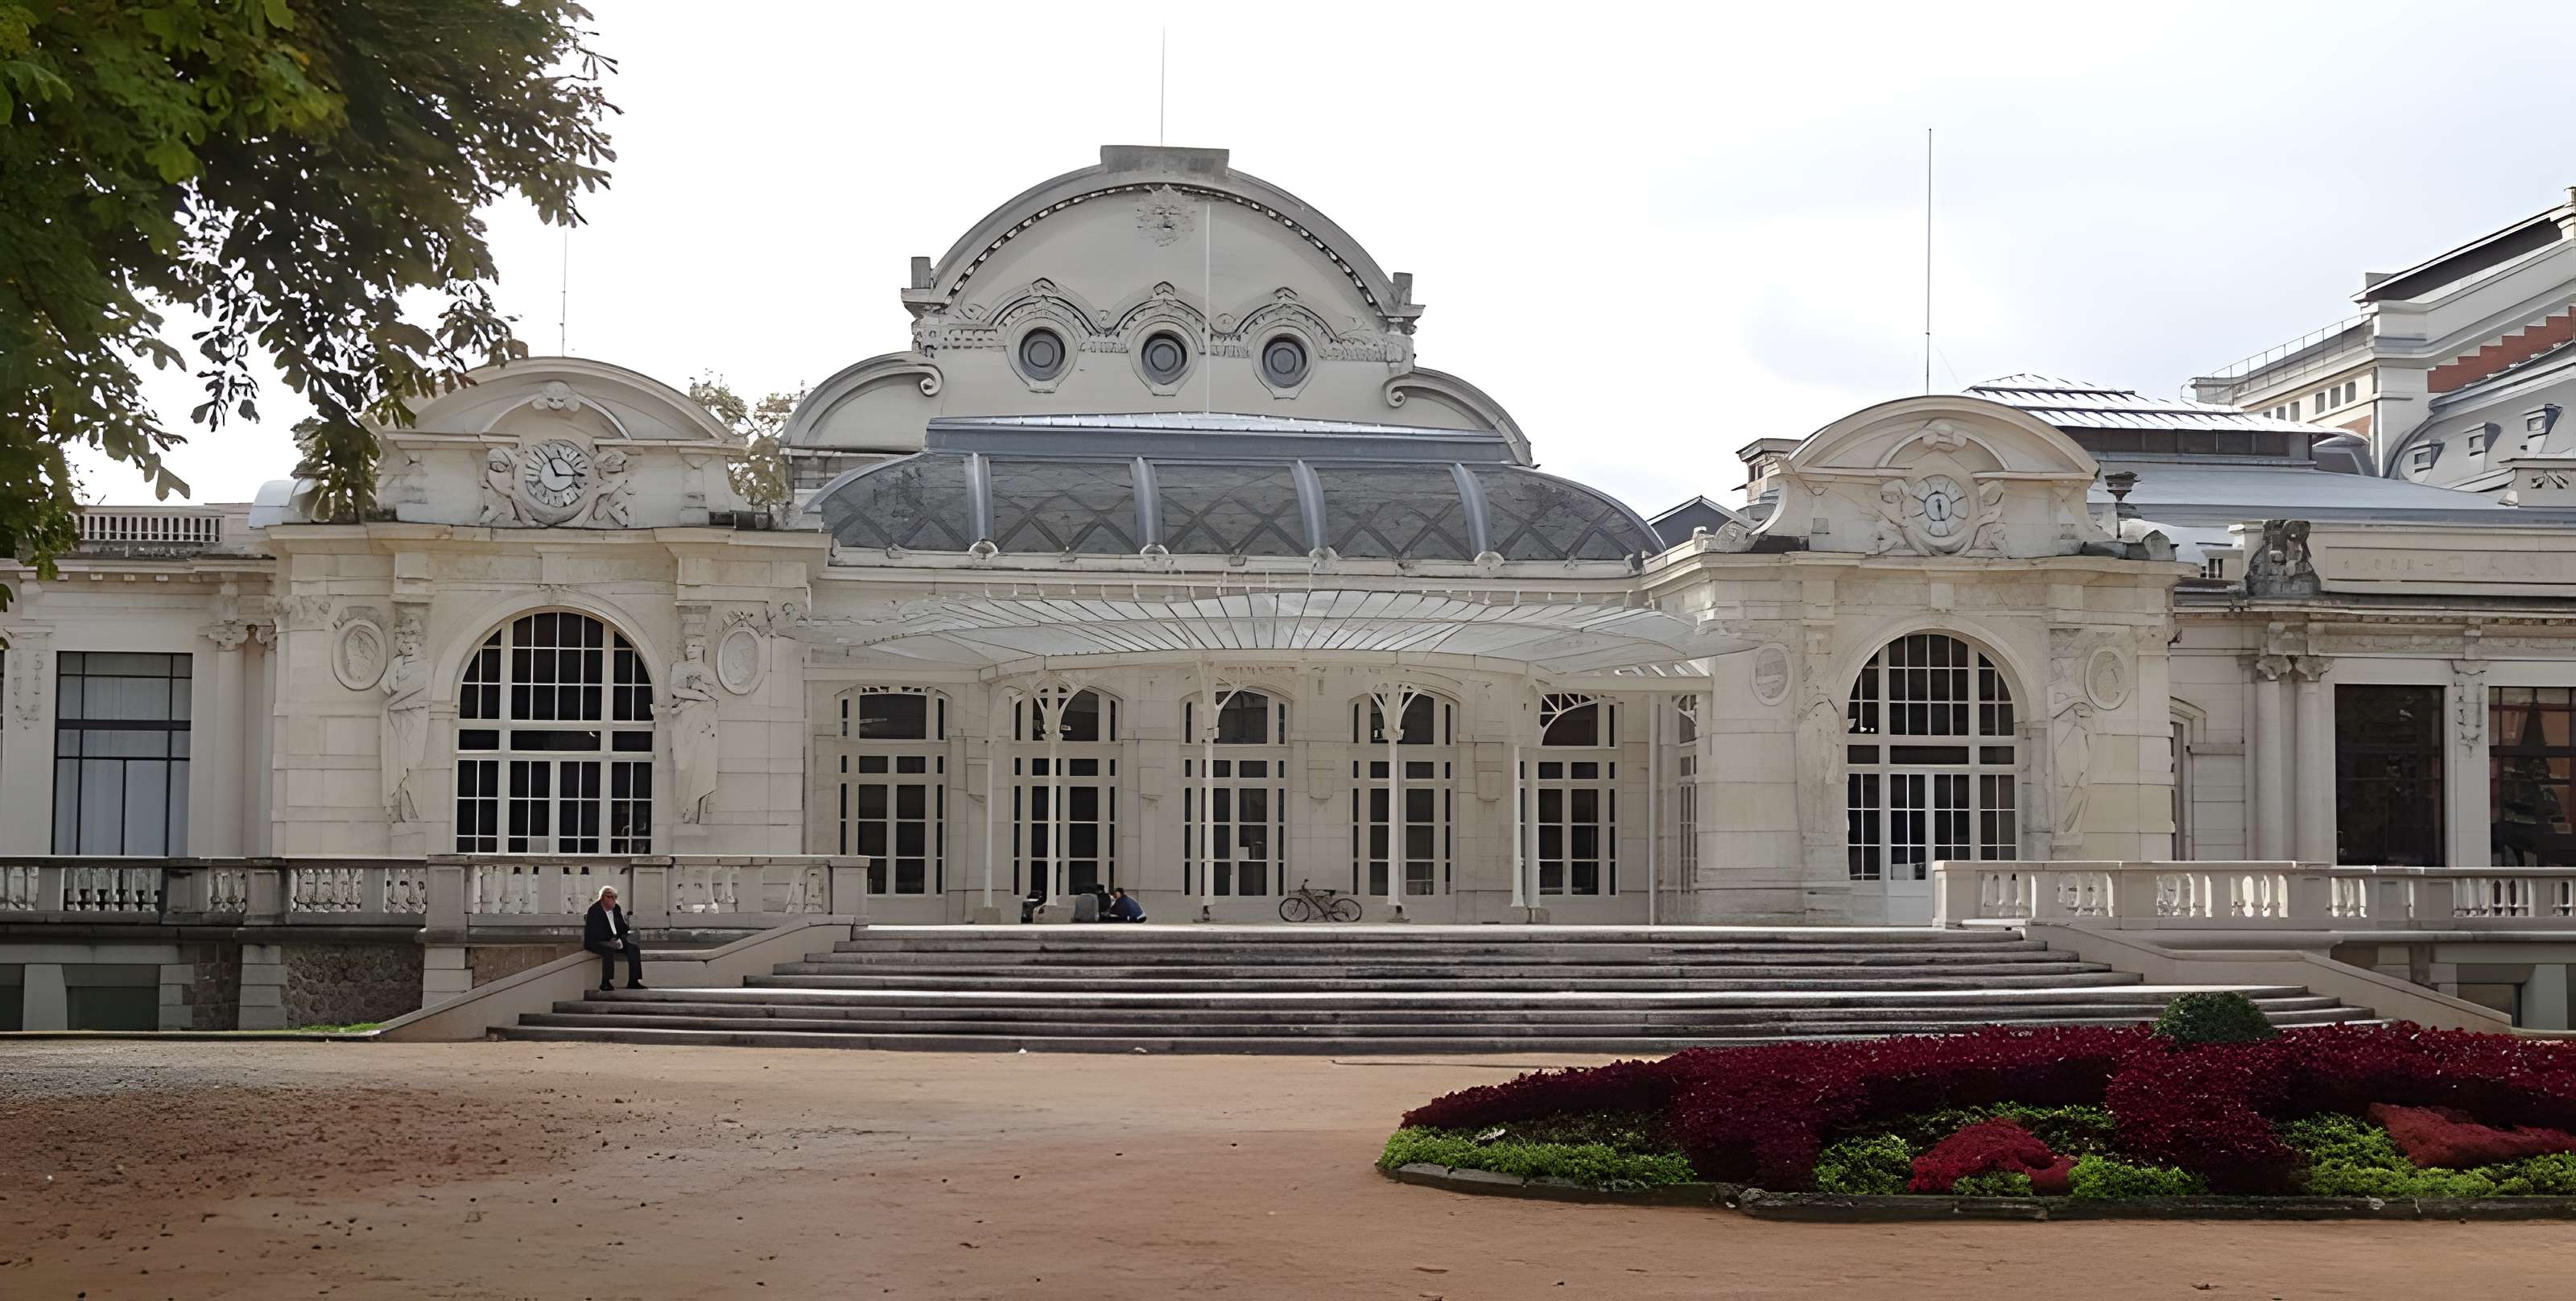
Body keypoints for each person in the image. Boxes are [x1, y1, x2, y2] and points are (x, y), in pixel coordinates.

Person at [584, 885, 646, 991]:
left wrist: (626, 934)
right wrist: (611, 941)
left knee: (633, 948)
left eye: (615, 897)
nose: (613, 900)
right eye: (610, 897)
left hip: (615, 939)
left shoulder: (616, 908)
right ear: (603, 898)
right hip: (597, 941)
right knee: (607, 950)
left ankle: (634, 981)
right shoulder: (594, 911)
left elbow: (622, 927)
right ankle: (606, 982)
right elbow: (594, 932)